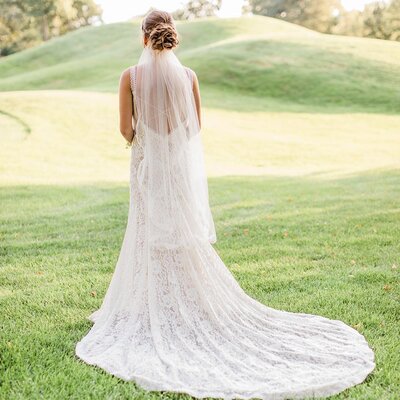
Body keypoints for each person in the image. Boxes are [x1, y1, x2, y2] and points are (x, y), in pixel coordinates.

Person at [75, 10, 375, 399]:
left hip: (148, 168)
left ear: (144, 38)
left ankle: (154, 304)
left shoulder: (130, 77)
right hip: (178, 168)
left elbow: (126, 129)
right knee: (181, 233)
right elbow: (194, 128)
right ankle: (189, 299)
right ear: (170, 36)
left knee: (149, 232)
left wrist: (144, 139)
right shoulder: (189, 77)